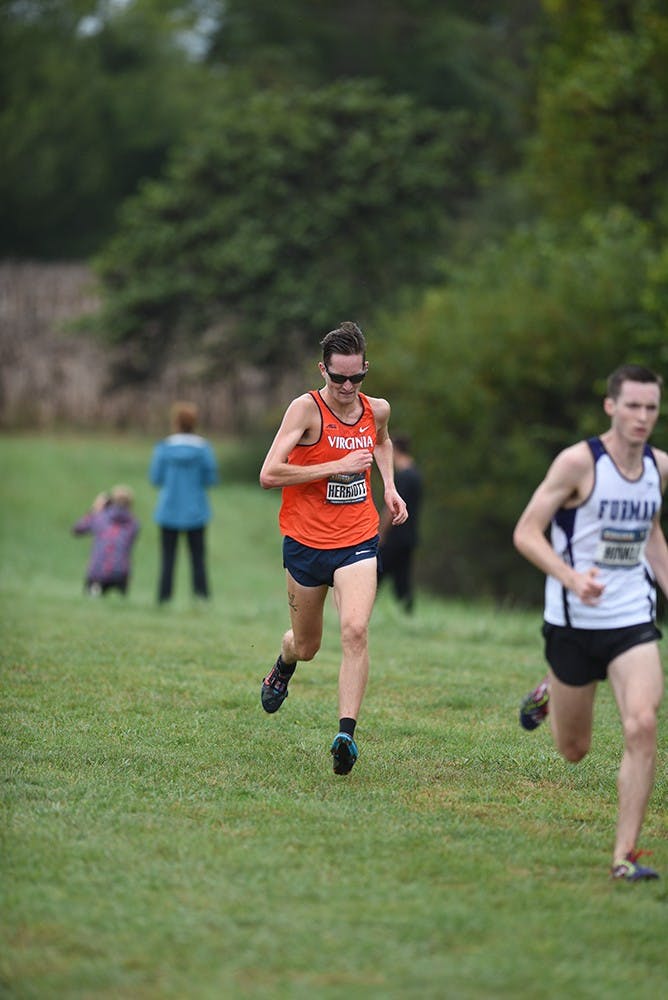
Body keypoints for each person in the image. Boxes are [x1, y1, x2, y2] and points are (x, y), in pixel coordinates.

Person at [513, 364, 668, 882]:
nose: (642, 417)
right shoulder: (578, 463)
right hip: (574, 620)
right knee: (574, 750)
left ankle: (625, 857)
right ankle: (552, 692)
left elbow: (652, 538)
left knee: (642, 724)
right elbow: (527, 533)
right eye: (633, 406)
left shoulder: (658, 468)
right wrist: (571, 577)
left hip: (631, 616)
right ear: (611, 406)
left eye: (651, 407)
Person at [258, 321, 408, 775]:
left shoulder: (376, 409)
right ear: (322, 369)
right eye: (337, 377)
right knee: (307, 645)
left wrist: (390, 488)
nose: (346, 387)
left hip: (357, 538)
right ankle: (283, 664)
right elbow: (269, 474)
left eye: (355, 377)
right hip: (305, 542)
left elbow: (381, 443)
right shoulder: (305, 411)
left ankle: (346, 734)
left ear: (365, 370)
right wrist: (334, 465)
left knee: (356, 630)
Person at [149, 401, 219, 603]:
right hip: (196, 510)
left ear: (175, 422)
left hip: (168, 509)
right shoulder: (204, 448)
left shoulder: (164, 447)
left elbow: (156, 478)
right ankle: (201, 597)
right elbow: (211, 479)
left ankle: (164, 597)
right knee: (198, 559)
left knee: (168, 558)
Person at [377, 433, 423, 613]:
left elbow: (392, 508)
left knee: (374, 572)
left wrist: (381, 532)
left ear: (395, 450)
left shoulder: (404, 476)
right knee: (402, 580)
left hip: (394, 537)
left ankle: (357, 609)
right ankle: (407, 613)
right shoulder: (416, 474)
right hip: (409, 537)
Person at [72, 485, 140, 596]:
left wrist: (95, 509)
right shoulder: (134, 524)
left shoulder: (99, 518)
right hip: (121, 574)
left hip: (97, 573)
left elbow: (77, 530)